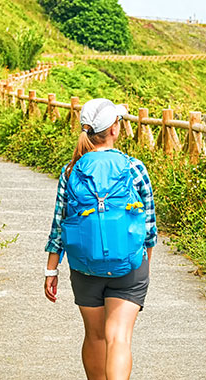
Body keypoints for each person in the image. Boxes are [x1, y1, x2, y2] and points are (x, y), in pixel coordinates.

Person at [44, 98, 157, 380]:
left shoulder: (71, 171)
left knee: (94, 336)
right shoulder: (134, 168)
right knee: (118, 337)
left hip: (84, 266)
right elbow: (149, 228)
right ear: (114, 129)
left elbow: (59, 223)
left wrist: (51, 269)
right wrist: (143, 269)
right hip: (129, 265)